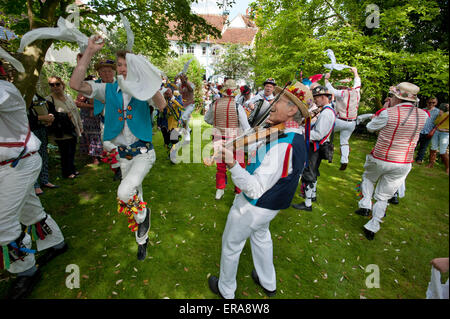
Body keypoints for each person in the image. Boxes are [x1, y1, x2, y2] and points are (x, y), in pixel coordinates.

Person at [208, 82, 310, 299]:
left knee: (231, 245)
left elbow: (254, 189)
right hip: (271, 207)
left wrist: (232, 163)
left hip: (254, 207)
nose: (272, 105)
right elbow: (258, 147)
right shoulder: (290, 134)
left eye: (279, 102)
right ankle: (268, 281)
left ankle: (226, 291)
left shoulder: (285, 143)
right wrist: (234, 145)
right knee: (261, 238)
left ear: (293, 110)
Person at [69, 36, 166, 260]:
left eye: (125, 65)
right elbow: (75, 85)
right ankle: (142, 239)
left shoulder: (143, 90)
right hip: (124, 155)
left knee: (124, 193)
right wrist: (89, 52)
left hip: (143, 154)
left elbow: (161, 106)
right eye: (119, 64)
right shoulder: (107, 90)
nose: (121, 68)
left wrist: (149, 83)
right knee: (135, 194)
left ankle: (144, 215)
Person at [0, 67, 67, 299]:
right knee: (30, 211)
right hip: (10, 165)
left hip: (18, 164)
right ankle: (56, 243)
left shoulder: (4, 90)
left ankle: (25, 271)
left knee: (2, 222)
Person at [355, 82, 429, 240]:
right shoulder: (423, 115)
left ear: (397, 97)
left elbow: (370, 127)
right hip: (403, 162)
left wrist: (384, 111)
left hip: (382, 157)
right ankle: (373, 226)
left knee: (368, 178)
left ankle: (366, 202)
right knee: (383, 196)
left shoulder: (389, 113)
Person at [204, 79, 251, 200]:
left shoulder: (214, 104)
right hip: (235, 140)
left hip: (219, 138)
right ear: (234, 93)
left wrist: (218, 123)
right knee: (239, 165)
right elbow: (246, 127)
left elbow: (207, 119)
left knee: (220, 165)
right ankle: (238, 192)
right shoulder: (237, 106)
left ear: (223, 91)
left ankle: (220, 190)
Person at [292, 86, 336, 211]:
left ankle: (307, 203)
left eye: (316, 98)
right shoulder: (326, 110)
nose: (315, 101)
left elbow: (318, 134)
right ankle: (312, 196)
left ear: (323, 97)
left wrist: (301, 133)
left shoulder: (327, 113)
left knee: (309, 172)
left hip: (316, 146)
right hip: (319, 145)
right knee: (313, 171)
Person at [90, 59, 122, 181]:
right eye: (103, 71)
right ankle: (118, 167)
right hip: (105, 120)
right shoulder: (95, 85)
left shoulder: (120, 84)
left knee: (122, 143)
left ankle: (121, 168)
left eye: (109, 71)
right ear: (99, 73)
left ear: (114, 72)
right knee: (107, 144)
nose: (107, 74)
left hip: (120, 120)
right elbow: (92, 100)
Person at [324, 67, 361, 170]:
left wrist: (326, 79)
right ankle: (344, 160)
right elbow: (358, 82)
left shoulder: (342, 93)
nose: (339, 88)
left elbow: (330, 89)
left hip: (339, 120)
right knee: (344, 141)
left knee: (325, 131)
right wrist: (355, 72)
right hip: (352, 122)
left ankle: (325, 151)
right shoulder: (357, 92)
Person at [46, 76, 83, 179]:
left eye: (57, 84)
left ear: (62, 85)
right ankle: (66, 172)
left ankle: (72, 169)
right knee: (65, 151)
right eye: (52, 85)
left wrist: (80, 126)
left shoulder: (68, 97)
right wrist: (64, 116)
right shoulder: (49, 100)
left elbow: (76, 112)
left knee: (72, 150)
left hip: (73, 127)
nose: (55, 87)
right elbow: (49, 116)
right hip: (61, 129)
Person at [27, 94, 59, 196]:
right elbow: (25, 117)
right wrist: (41, 117)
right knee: (33, 157)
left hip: (41, 128)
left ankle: (45, 180)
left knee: (43, 154)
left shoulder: (36, 95)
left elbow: (48, 105)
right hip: (30, 130)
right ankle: (35, 185)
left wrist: (50, 117)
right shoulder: (21, 95)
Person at [75, 75, 103, 165]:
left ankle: (101, 154)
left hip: (98, 116)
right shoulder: (83, 92)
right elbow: (78, 103)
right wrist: (92, 107)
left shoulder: (98, 91)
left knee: (99, 134)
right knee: (91, 136)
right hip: (88, 118)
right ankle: (94, 157)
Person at [415, 97, 439, 164]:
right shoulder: (422, 110)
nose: (431, 104)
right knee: (414, 144)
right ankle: (409, 157)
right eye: (429, 102)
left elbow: (438, 123)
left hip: (429, 132)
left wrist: (433, 131)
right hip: (419, 130)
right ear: (427, 102)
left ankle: (419, 159)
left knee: (424, 146)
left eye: (433, 102)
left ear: (436, 103)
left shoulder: (438, 112)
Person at [427, 103, 449, 174]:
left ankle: (448, 167)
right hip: (436, 132)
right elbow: (436, 122)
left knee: (442, 151)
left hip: (445, 133)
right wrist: (440, 115)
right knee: (433, 148)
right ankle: (431, 164)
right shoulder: (442, 113)